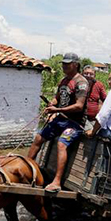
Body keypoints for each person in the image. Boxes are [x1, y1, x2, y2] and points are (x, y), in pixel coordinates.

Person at [28, 52, 88, 192]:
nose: (64, 66)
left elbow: (79, 106)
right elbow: (57, 98)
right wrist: (51, 105)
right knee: (38, 138)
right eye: (63, 63)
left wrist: (56, 110)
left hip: (75, 123)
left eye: (67, 63)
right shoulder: (64, 80)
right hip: (61, 119)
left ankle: (57, 181)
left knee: (61, 144)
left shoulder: (81, 83)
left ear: (76, 65)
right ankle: (27, 167)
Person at [82, 65, 107, 131]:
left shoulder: (99, 85)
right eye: (86, 73)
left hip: (94, 118)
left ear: (94, 75)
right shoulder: (78, 83)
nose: (88, 76)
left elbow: (106, 100)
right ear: (82, 74)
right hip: (81, 117)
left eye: (91, 74)